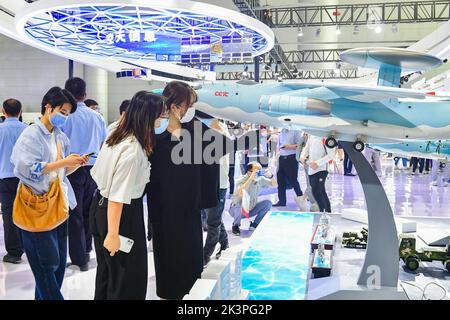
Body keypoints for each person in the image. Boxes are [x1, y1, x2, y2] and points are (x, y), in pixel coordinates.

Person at [146, 81, 254, 299]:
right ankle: (168, 293)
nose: (190, 109)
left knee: (190, 258)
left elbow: (224, 145)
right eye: (188, 104)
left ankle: (192, 296)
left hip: (189, 207)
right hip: (163, 207)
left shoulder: (195, 128)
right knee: (167, 257)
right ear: (174, 105)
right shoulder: (154, 130)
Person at [11, 87, 88, 300]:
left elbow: (59, 172)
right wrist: (63, 162)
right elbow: (27, 168)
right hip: (36, 207)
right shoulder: (31, 134)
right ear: (48, 107)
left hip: (58, 205)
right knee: (46, 264)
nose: (64, 117)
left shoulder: (59, 136)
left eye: (67, 114)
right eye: (62, 112)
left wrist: (74, 164)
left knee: (59, 264)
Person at [90, 91, 164, 300]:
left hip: (100, 207)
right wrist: (113, 234)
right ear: (148, 117)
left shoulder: (116, 131)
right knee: (126, 277)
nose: (162, 120)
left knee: (107, 273)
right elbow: (117, 196)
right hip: (120, 214)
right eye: (160, 116)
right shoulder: (132, 151)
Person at [64, 77, 107, 271]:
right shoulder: (97, 116)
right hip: (93, 168)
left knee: (75, 214)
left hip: (71, 168)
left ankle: (79, 258)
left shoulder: (66, 116)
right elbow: (103, 143)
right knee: (89, 211)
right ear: (85, 94)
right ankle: (87, 249)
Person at [0, 99, 28, 264]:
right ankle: (28, 247)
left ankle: (14, 252)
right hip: (25, 179)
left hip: (4, 179)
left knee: (9, 215)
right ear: (21, 111)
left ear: (3, 111)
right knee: (27, 213)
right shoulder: (28, 130)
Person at [203, 120, 231, 265]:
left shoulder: (222, 130)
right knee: (213, 217)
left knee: (212, 221)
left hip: (219, 183)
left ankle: (205, 255)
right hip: (207, 182)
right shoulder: (204, 127)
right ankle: (225, 244)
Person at [229, 161, 277, 236]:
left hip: (250, 209)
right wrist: (251, 178)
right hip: (237, 211)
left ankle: (254, 224)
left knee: (268, 203)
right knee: (238, 205)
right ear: (249, 172)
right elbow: (241, 191)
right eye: (256, 171)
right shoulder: (240, 180)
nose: (258, 173)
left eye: (260, 170)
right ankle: (235, 225)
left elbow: (275, 185)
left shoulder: (260, 179)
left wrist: (271, 176)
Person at [300, 135, 336, 213]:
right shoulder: (312, 135)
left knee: (318, 191)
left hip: (322, 169)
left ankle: (324, 212)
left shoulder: (326, 137)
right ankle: (326, 212)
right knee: (319, 191)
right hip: (311, 169)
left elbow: (331, 155)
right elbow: (306, 148)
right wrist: (302, 156)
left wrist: (318, 163)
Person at [274, 128, 306, 210]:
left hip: (291, 158)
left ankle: (300, 199)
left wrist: (289, 146)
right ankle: (282, 201)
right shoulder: (281, 130)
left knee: (293, 180)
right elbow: (279, 145)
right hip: (281, 157)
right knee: (280, 181)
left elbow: (300, 144)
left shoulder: (296, 129)